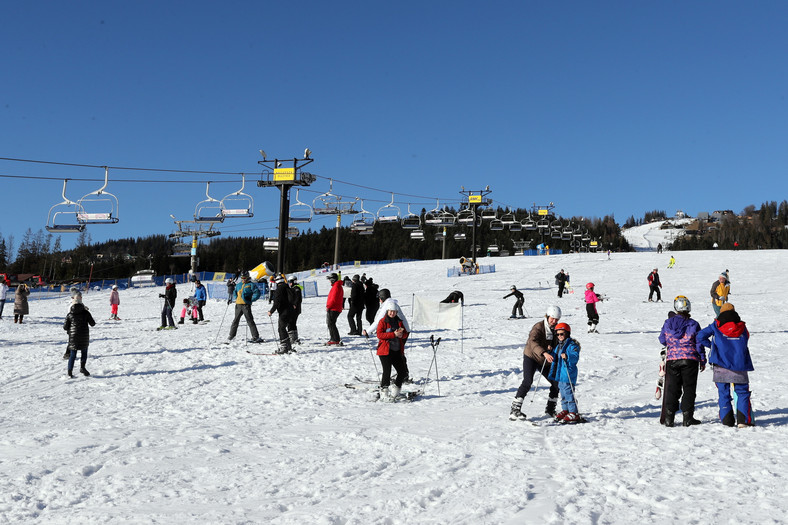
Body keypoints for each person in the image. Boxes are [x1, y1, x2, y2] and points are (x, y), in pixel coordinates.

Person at [697, 303, 754, 427]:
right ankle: (743, 420)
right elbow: (746, 338)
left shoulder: (716, 325)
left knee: (723, 392)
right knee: (742, 392)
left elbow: (700, 336)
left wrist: (713, 346)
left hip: (720, 364)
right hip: (739, 364)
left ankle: (727, 420)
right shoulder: (741, 326)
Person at [658, 295, 706, 427]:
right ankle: (687, 417)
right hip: (690, 359)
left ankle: (669, 418)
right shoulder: (694, 324)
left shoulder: (668, 323)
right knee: (689, 389)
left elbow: (662, 339)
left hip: (672, 359)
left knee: (673, 389)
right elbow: (699, 343)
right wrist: (702, 358)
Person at [509, 306, 562, 421]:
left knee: (556, 382)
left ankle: (550, 409)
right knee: (527, 381)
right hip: (532, 357)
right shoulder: (538, 327)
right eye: (552, 318)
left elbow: (558, 342)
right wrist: (544, 352)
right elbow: (532, 342)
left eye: (556, 319)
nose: (554, 321)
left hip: (545, 360)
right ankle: (515, 410)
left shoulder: (555, 329)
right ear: (547, 316)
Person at [547, 322, 582, 423]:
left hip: (568, 373)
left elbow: (575, 357)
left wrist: (567, 356)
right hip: (560, 374)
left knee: (568, 392)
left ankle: (573, 412)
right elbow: (555, 356)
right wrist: (550, 352)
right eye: (557, 334)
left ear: (567, 333)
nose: (560, 336)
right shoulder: (559, 346)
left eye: (562, 334)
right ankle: (565, 410)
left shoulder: (572, 345)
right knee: (562, 392)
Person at [376, 299, 410, 399]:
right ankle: (384, 392)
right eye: (390, 311)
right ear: (387, 311)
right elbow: (379, 335)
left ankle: (396, 389)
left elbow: (405, 334)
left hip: (396, 351)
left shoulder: (399, 322)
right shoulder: (383, 321)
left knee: (402, 372)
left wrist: (401, 335)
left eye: (394, 312)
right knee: (387, 372)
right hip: (385, 351)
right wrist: (393, 334)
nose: (392, 313)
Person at [63, 290, 96, 378]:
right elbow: (92, 323)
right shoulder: (86, 312)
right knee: (84, 352)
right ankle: (82, 367)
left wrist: (71, 328)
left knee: (73, 354)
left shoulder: (70, 314)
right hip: (84, 336)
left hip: (73, 337)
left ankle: (70, 372)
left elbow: (65, 327)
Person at [228, 271, 262, 343]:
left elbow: (257, 293)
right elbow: (234, 292)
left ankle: (255, 336)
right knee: (235, 320)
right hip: (238, 305)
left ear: (247, 277)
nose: (243, 279)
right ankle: (231, 335)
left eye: (245, 278)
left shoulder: (251, 284)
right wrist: (236, 297)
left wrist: (251, 299)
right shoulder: (238, 285)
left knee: (250, 320)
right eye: (242, 278)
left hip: (246, 305)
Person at [268, 274, 295, 354]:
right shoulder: (288, 287)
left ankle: (284, 347)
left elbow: (276, 303)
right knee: (284, 328)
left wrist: (271, 311)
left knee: (281, 329)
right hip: (291, 311)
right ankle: (288, 346)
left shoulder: (278, 290)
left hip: (284, 311)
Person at [325, 273, 344, 345]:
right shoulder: (337, 286)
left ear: (332, 280)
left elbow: (333, 299)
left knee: (331, 323)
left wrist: (328, 306)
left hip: (334, 308)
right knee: (331, 323)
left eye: (330, 280)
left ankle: (335, 339)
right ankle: (334, 338)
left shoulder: (336, 287)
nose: (329, 281)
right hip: (335, 307)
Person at [288, 276, 303, 346]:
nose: (289, 284)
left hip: (295, 309)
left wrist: (294, 304)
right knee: (292, 323)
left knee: (291, 322)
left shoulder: (296, 288)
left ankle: (292, 338)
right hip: (294, 309)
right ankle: (294, 338)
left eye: (290, 282)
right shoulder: (294, 288)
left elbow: (298, 298)